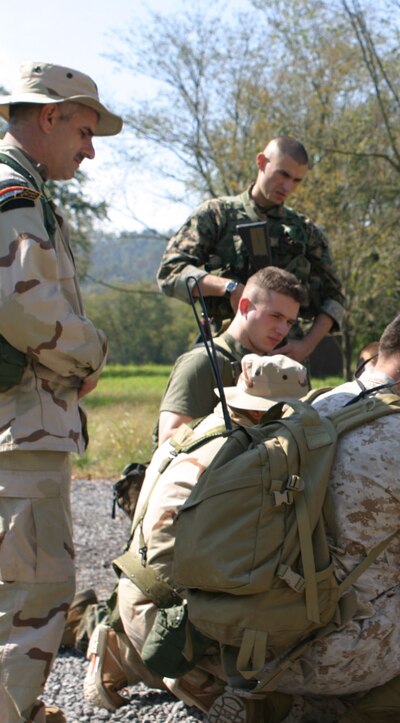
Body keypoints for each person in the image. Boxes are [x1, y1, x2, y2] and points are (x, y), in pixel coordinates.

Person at [191, 309, 400, 722]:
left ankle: (287, 707)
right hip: (335, 653)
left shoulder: (311, 405)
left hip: (241, 639)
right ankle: (370, 712)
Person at [87, 354, 312, 714]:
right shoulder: (239, 458)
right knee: (290, 699)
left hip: (133, 587)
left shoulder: (195, 431)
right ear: (263, 412)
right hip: (168, 619)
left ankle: (124, 652)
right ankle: (192, 677)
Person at [0, 61, 121, 723]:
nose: (90, 146)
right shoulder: (13, 191)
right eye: (83, 128)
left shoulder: (24, 189)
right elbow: (23, 307)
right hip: (21, 422)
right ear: (48, 116)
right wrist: (89, 350)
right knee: (35, 589)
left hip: (18, 418)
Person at [156, 136, 345, 363]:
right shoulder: (218, 215)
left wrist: (306, 345)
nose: (288, 187)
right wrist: (229, 288)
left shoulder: (305, 231)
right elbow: (171, 272)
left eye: (297, 180)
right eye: (283, 174)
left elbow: (334, 298)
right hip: (224, 353)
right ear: (262, 162)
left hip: (281, 360)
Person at [157, 266, 303, 445]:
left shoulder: (279, 370)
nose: (282, 330)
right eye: (275, 316)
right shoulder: (203, 362)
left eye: (289, 322)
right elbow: (168, 438)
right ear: (245, 306)